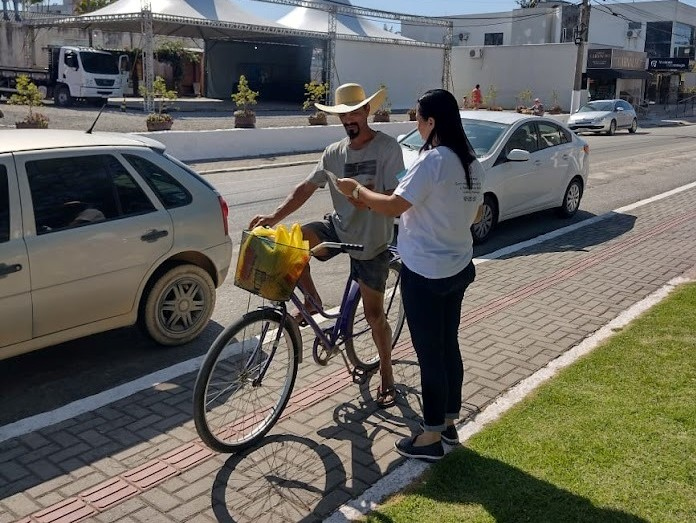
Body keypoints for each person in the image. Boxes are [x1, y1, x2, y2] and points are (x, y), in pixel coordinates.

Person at [336, 89, 484, 462]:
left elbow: (392, 207)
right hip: (458, 266)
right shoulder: (471, 163)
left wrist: (359, 191)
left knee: (429, 354)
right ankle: (448, 422)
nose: (415, 126)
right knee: (448, 346)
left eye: (418, 119)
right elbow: (476, 215)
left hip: (426, 273)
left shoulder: (433, 161)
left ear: (432, 122)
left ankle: (430, 438)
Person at [249, 82, 404, 409]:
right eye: (343, 114)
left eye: (354, 112)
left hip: (372, 240)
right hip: (339, 226)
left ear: (366, 112)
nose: (349, 119)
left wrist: (371, 198)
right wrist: (274, 217)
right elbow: (305, 188)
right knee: (294, 244)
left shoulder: (388, 148)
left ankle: (387, 374)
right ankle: (313, 299)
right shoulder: (333, 153)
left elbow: (397, 198)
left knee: (375, 316)